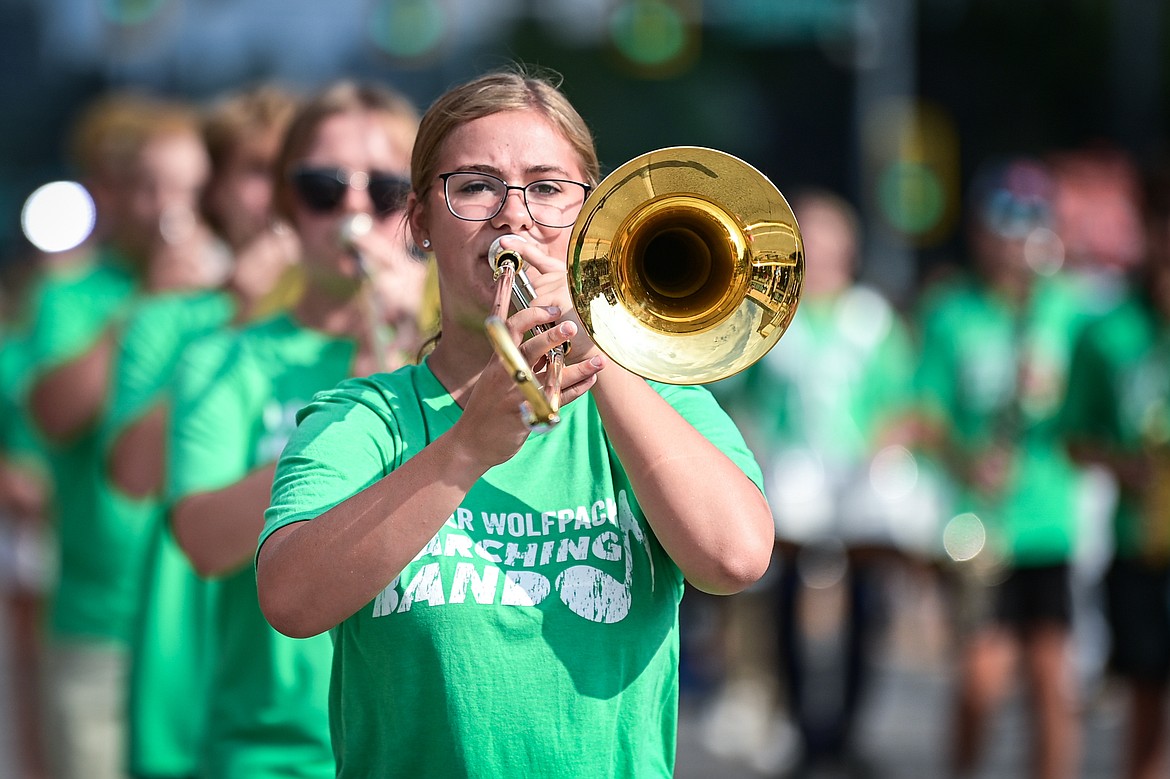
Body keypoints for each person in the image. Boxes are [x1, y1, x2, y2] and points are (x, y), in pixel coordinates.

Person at [254, 67, 774, 778]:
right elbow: (289, 598)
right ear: (419, 222)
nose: (514, 215)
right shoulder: (361, 417)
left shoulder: (663, 404)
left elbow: (735, 558)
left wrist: (601, 355)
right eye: (474, 186)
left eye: (548, 187)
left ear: (590, 217)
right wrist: (462, 452)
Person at [166, 79, 426, 779]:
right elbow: (203, 540)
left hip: (428, 744)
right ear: (288, 203)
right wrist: (358, 408)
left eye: (385, 190)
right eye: (322, 186)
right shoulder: (226, 359)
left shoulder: (458, 347)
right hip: (274, 748)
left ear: (421, 208)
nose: (352, 207)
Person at [101, 83, 300, 779]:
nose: (277, 191)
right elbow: (130, 471)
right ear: (213, 189)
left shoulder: (362, 314)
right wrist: (233, 312)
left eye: (297, 169)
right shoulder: (171, 317)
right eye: (254, 169)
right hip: (193, 654)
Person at [22, 90, 215, 779]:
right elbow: (54, 412)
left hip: (202, 625)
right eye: (148, 188)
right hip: (97, 620)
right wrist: (145, 306)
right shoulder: (72, 293)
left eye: (189, 188)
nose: (168, 208)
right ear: (115, 195)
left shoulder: (228, 293)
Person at [716, 188, 925, 772]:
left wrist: (883, 447)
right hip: (793, 474)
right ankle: (802, 726)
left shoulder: (872, 318)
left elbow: (900, 399)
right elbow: (735, 390)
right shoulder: (771, 315)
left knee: (865, 600)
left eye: (831, 236)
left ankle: (848, 728)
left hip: (859, 480)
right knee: (783, 598)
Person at [913, 157, 1093, 779]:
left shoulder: (1068, 309)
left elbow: (1093, 410)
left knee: (1052, 680)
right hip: (977, 521)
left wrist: (1054, 397)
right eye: (1004, 223)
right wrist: (965, 459)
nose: (1017, 239)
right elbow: (926, 414)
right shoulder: (952, 311)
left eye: (1031, 225)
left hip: (1048, 517)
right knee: (980, 682)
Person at [1059, 165, 1170, 779]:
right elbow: (1073, 440)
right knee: (1146, 705)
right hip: (1141, 544)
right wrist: (1125, 466)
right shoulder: (1107, 331)